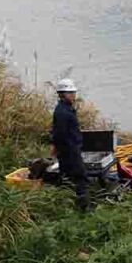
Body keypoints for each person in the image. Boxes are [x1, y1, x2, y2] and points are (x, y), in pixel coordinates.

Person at [51, 78, 90, 211]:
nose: (74, 95)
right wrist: (60, 148)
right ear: (63, 94)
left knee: (68, 176)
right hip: (69, 151)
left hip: (70, 149)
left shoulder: (66, 109)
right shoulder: (63, 112)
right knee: (81, 177)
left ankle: (68, 204)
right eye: (71, 93)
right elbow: (59, 133)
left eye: (74, 92)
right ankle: (83, 208)